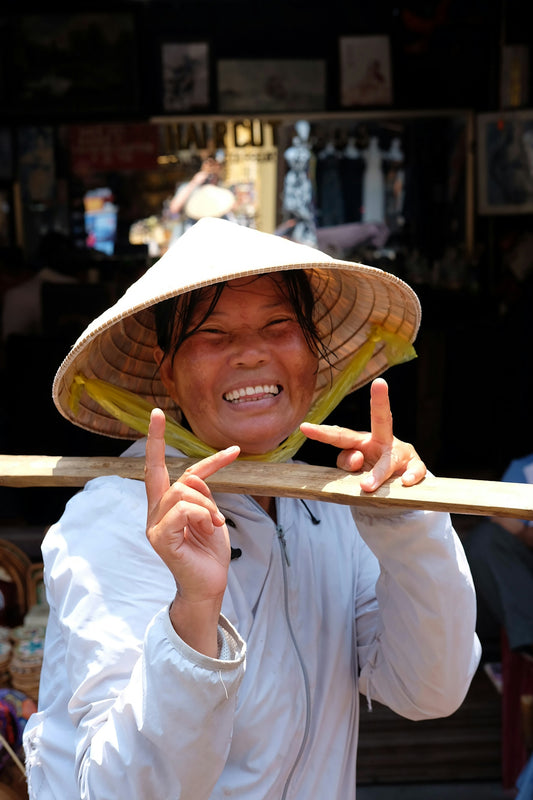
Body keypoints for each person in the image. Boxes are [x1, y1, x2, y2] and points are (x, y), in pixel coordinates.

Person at [23, 218, 480, 799]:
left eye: (278, 325)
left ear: (313, 351)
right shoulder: (118, 520)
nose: (250, 355)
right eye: (213, 334)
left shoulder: (328, 504)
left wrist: (407, 526)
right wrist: (193, 614)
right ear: (169, 370)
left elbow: (429, 690)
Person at [464, 453, 533, 663]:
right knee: (484, 541)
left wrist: (522, 532)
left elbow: (516, 527)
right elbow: (500, 521)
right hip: (523, 573)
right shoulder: (523, 469)